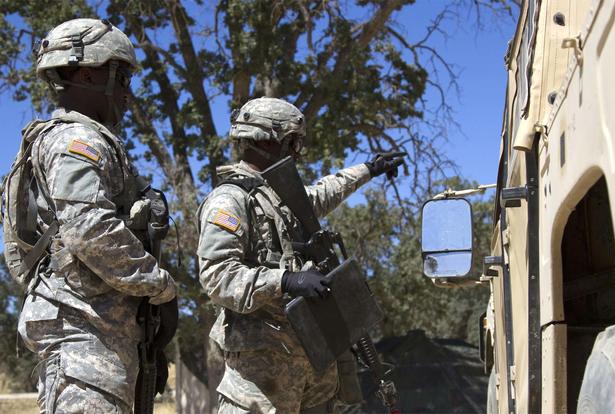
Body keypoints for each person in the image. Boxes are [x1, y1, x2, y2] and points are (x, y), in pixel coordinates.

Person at [10, 18, 176, 413]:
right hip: (83, 338)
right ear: (87, 74)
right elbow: (90, 229)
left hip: (101, 337)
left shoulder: (85, 138)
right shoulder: (76, 140)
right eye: (122, 80)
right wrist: (161, 288)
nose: (126, 94)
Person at [196, 96, 403, 413]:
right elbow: (218, 278)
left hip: (311, 368)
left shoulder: (282, 196)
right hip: (261, 379)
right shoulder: (230, 200)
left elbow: (324, 191)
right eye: (293, 142)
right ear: (270, 139)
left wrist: (369, 169)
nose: (296, 152)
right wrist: (286, 280)